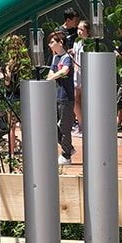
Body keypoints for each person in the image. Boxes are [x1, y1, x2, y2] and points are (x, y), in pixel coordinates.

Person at [46, 31, 75, 165]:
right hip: (56, 96)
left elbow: (64, 71)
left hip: (66, 97)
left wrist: (52, 76)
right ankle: (68, 147)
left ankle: (66, 154)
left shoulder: (66, 58)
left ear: (60, 43)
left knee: (65, 126)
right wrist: (51, 76)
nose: (50, 45)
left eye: (52, 42)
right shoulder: (55, 58)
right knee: (52, 124)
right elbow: (51, 73)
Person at [0, 34, 29, 156]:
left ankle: (11, 153)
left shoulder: (10, 64)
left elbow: (7, 82)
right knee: (25, 125)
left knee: (11, 126)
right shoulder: (25, 62)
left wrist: (2, 74)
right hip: (24, 95)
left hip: (12, 96)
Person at [72, 20, 90, 135]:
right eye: (78, 29)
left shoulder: (89, 44)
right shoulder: (76, 42)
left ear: (88, 32)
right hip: (77, 74)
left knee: (85, 99)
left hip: (86, 74)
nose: (79, 31)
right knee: (75, 98)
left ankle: (85, 125)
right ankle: (81, 123)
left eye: (82, 29)